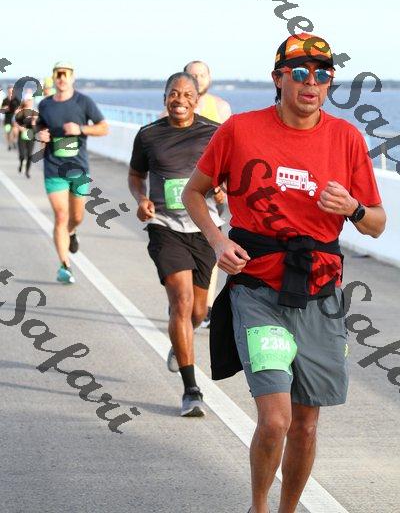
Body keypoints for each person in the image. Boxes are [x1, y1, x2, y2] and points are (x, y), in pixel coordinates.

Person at [182, 33, 386, 513]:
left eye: (322, 75)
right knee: (276, 420)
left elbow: (377, 224)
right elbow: (194, 192)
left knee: (307, 425)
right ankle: (259, 507)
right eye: (299, 73)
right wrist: (218, 241)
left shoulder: (346, 138)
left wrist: (354, 208)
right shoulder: (240, 131)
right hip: (258, 289)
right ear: (278, 79)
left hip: (320, 294)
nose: (310, 83)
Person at [128, 71, 224, 417]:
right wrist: (141, 199)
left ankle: (179, 340)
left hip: (204, 228)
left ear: (197, 100)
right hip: (165, 226)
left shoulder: (214, 133)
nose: (179, 100)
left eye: (186, 94)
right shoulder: (148, 135)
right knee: (181, 301)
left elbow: (229, 172)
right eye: (173, 93)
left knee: (197, 312)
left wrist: (222, 189)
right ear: (164, 97)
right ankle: (191, 389)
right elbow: (136, 175)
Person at [36, 61, 108, 284]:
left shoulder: (83, 102)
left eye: (65, 74)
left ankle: (72, 232)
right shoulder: (45, 104)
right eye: (58, 74)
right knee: (61, 215)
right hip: (53, 167)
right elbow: (39, 127)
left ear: (72, 77)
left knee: (76, 217)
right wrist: (40, 135)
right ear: (53, 77)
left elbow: (103, 127)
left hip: (78, 168)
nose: (61, 78)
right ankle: (64, 266)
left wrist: (81, 129)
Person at [184, 60, 232, 327]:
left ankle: (206, 305)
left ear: (209, 78)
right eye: (192, 74)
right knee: (184, 245)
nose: (197, 78)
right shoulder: (177, 106)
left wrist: (223, 186)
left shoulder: (221, 108)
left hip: (213, 188)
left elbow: (230, 151)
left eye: (202, 74)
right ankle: (183, 294)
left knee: (212, 245)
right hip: (183, 188)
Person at [15, 96, 38, 178]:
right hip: (21, 135)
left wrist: (34, 121)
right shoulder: (20, 111)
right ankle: (21, 163)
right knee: (22, 154)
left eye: (31, 100)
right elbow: (16, 123)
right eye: (28, 100)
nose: (29, 102)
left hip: (31, 135)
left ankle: (27, 171)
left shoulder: (34, 112)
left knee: (29, 155)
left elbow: (37, 126)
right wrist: (20, 127)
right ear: (25, 101)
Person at [1, 85, 20, 150]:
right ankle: (9, 144)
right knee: (8, 132)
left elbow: (20, 109)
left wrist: (17, 111)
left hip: (15, 119)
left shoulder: (16, 99)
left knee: (15, 132)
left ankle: (14, 141)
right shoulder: (5, 100)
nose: (10, 92)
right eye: (9, 91)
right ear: (7, 91)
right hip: (7, 119)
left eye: (11, 91)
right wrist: (5, 108)